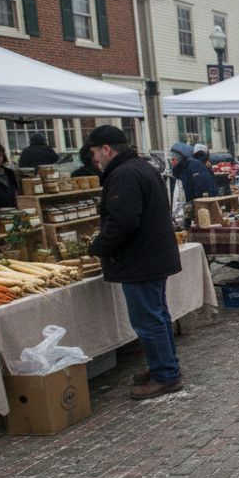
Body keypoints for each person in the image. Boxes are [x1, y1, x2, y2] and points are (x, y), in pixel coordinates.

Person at [84, 125, 184, 400]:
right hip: (151, 255)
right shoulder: (139, 167)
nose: (94, 159)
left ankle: (165, 374)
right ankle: (164, 367)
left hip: (140, 259)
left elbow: (123, 222)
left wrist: (99, 246)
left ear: (106, 149)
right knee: (158, 316)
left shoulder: (123, 174)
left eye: (94, 152)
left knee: (149, 319)